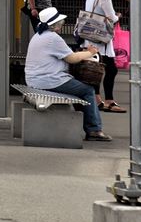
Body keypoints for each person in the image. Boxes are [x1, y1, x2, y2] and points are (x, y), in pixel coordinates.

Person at [25, 7, 111, 142]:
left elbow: (66, 55)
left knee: (79, 90)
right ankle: (94, 129)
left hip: (34, 79)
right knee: (88, 90)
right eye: (60, 22)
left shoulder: (38, 35)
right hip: (49, 80)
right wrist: (91, 52)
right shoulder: (53, 38)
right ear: (55, 24)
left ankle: (85, 124)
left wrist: (84, 53)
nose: (62, 24)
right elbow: (72, 58)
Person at [81, 0, 125, 113]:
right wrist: (118, 16)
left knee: (95, 70)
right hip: (101, 40)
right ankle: (109, 101)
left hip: (90, 38)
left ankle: (98, 99)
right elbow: (111, 18)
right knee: (110, 70)